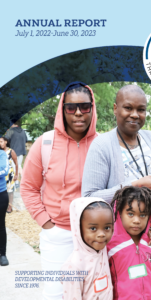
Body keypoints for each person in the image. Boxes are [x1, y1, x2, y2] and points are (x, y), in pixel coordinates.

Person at [82, 84, 151, 259]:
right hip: (120, 243)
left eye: (141, 109)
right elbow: (89, 197)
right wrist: (136, 186)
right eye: (128, 108)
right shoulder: (102, 146)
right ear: (115, 108)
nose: (135, 114)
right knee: (126, 285)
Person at [20, 82, 98, 300]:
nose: (79, 113)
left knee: (92, 294)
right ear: (62, 110)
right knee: (55, 294)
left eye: (85, 106)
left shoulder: (103, 145)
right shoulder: (45, 143)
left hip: (95, 236)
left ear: (93, 108)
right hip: (58, 236)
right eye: (71, 107)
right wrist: (47, 224)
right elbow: (28, 187)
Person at [108, 186, 151, 300]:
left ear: (149, 216)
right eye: (130, 214)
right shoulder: (110, 246)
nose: (136, 220)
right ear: (119, 213)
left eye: (142, 215)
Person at [61, 198, 114, 300]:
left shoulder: (102, 250)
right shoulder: (73, 267)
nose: (101, 234)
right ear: (79, 228)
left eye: (107, 228)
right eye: (93, 228)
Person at [0, 137, 18, 213]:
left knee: (10, 191)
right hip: (2, 174)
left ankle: (9, 207)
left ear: (6, 142)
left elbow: (16, 163)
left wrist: (16, 174)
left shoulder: (11, 151)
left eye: (1, 141)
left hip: (10, 173)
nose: (0, 143)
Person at [0, 144, 9, 266]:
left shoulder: (2, 154)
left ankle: (2, 254)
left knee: (0, 225)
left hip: (1, 194)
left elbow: (4, 170)